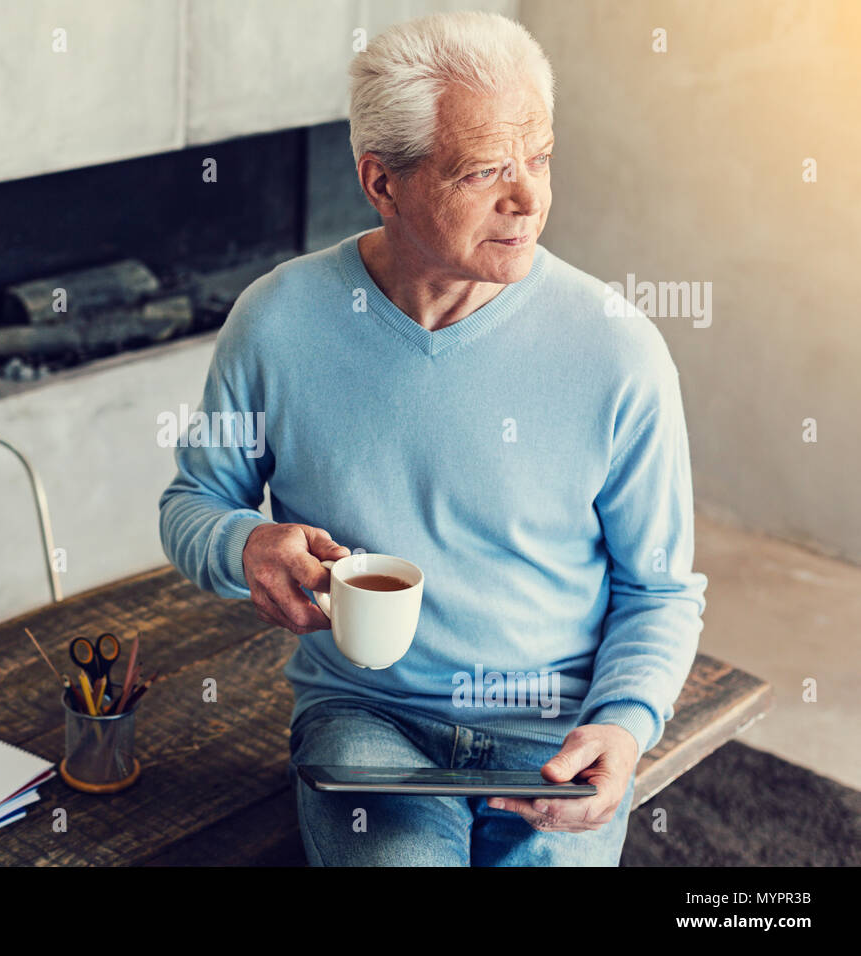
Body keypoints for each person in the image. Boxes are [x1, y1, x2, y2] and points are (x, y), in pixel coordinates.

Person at [157, 11, 707, 866]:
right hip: (367, 718)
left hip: (554, 727)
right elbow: (194, 502)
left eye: (541, 157)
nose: (528, 198)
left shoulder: (617, 347)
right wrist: (244, 544)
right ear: (383, 182)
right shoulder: (279, 319)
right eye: (487, 169)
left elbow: (660, 590)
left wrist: (624, 725)